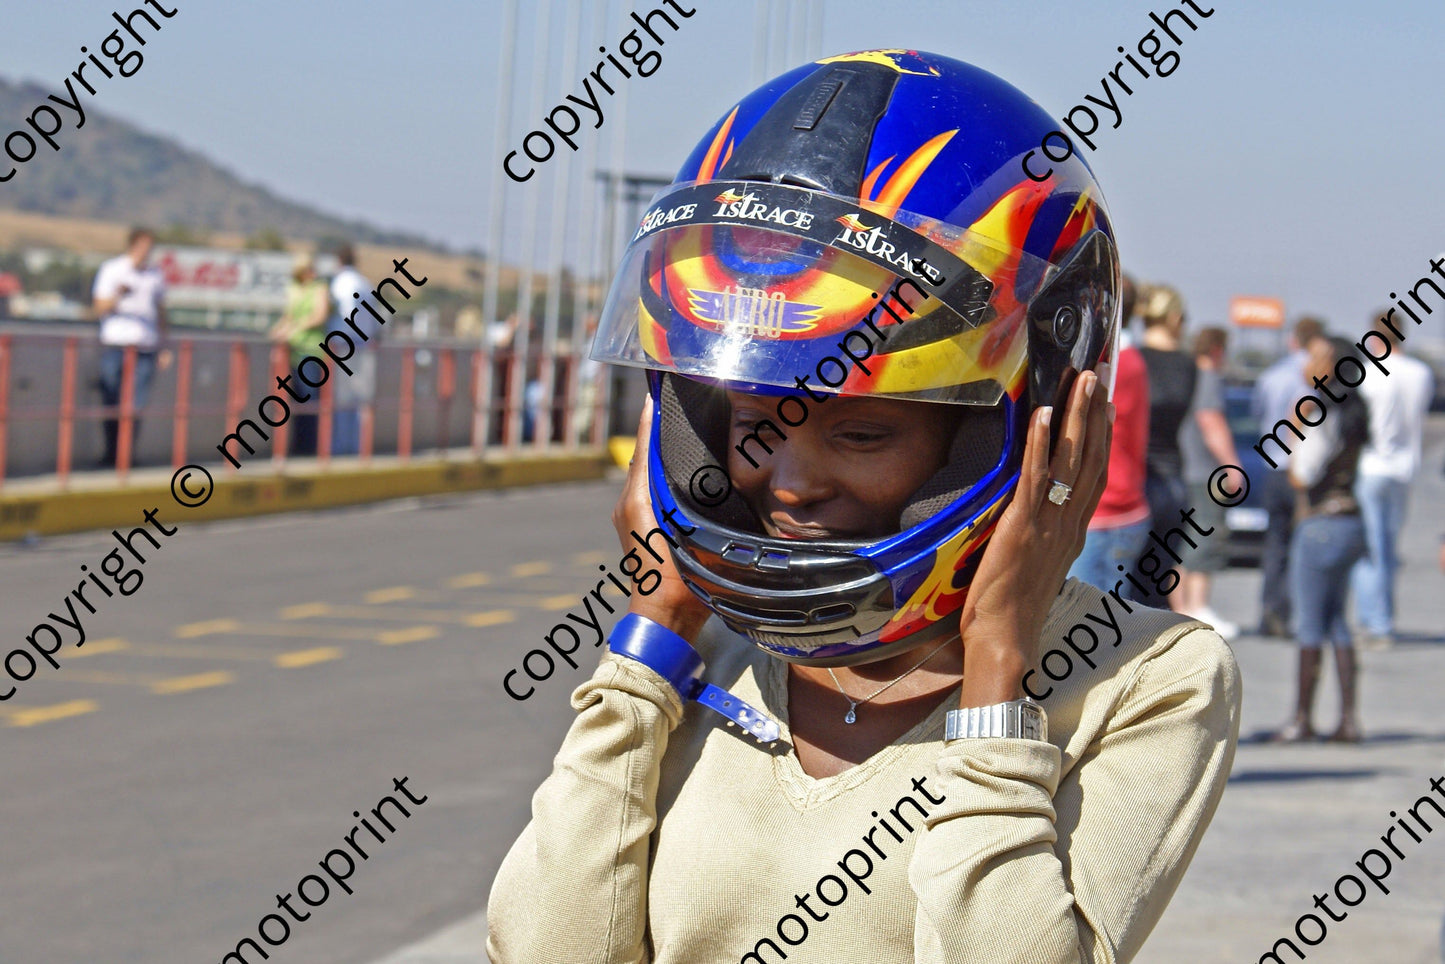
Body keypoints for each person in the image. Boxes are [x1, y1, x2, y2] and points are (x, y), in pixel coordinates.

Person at [487, 50, 1239, 963]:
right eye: (757, 423)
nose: (792, 481)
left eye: (861, 436)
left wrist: (998, 669)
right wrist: (649, 646)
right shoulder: (708, 644)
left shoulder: (1143, 679)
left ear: (1035, 422)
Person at [1273, 335, 1371, 744]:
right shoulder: (1356, 408)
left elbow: (1302, 474)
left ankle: (1300, 718)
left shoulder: (1317, 409)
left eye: (1316, 357)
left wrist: (1295, 432)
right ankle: (1348, 718)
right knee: (1336, 622)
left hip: (1320, 525)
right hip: (1350, 521)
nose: (1307, 363)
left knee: (1311, 623)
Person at [1351, 313, 1434, 648]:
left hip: (1371, 466)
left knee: (1369, 549)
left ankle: (1375, 620)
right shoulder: (1421, 373)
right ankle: (1381, 618)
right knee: (1388, 548)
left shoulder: (1367, 375)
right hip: (1405, 468)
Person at [1068, 273, 1152, 595]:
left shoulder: (1114, 363)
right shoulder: (1130, 360)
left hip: (1105, 513)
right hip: (1115, 512)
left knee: (1086, 632)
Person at [1251, 316, 1324, 637]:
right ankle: (1290, 612)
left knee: (1275, 544)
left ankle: (1269, 610)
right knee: (1300, 547)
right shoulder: (1315, 377)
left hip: (1272, 468)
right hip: (1300, 473)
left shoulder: (1271, 375)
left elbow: (1258, 415)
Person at [1132, 283, 1196, 611]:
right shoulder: (1187, 365)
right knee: (1160, 571)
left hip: (1135, 475)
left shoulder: (1133, 360)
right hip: (1172, 475)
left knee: (1126, 579)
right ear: (1173, 318)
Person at [1176, 326, 1241, 638]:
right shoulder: (1209, 378)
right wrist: (1231, 465)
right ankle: (1197, 606)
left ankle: (1180, 607)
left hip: (1179, 469)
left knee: (1178, 542)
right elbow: (1210, 420)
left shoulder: (1184, 372)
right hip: (1203, 473)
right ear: (1218, 349)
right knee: (1204, 539)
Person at [92, 226, 171, 468]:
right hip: (116, 345)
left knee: (136, 406)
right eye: (143, 246)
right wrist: (119, 295)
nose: (146, 251)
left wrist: (165, 346)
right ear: (133, 245)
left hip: (145, 347)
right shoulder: (113, 269)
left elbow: (161, 312)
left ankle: (127, 456)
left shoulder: (155, 274)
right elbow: (99, 307)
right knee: (111, 401)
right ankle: (111, 454)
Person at [268, 253, 330, 455]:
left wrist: (294, 329)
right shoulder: (294, 289)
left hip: (311, 351)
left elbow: (319, 316)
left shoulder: (319, 288)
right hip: (293, 351)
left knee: (310, 399)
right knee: (295, 400)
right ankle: (297, 445)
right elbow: (288, 315)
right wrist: (277, 331)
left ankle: (310, 446)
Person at [327, 244, 379, 455]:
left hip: (345, 345)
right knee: (362, 400)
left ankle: (340, 447)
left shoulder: (341, 283)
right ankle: (360, 446)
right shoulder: (364, 283)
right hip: (365, 345)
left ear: (339, 261)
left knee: (342, 399)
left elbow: (346, 313)